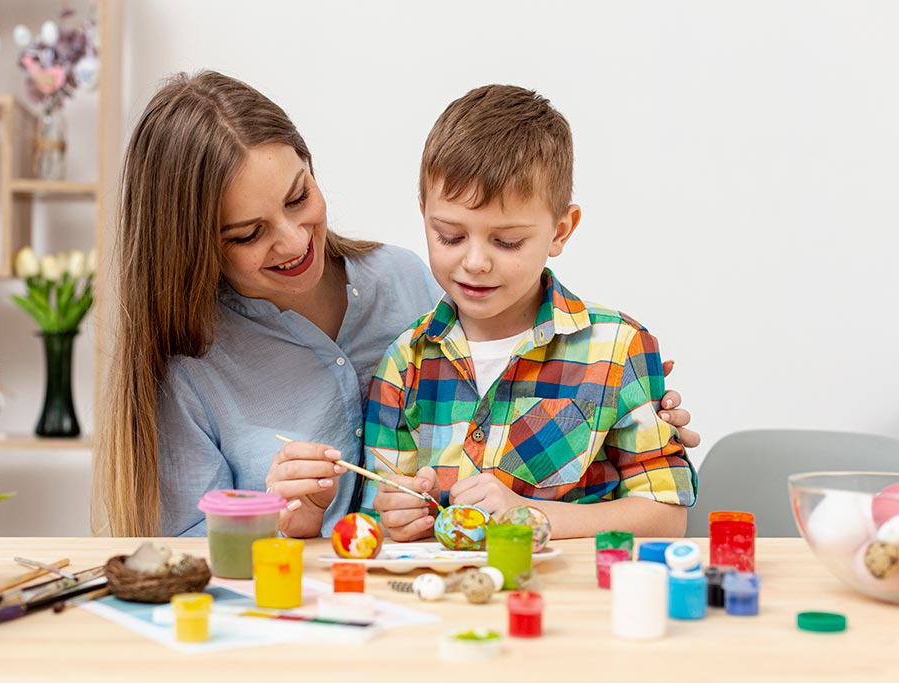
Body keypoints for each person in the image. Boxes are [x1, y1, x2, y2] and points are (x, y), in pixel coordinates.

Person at [95, 71, 699, 539]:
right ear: (195, 245)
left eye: (299, 196)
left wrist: (625, 393)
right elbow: (199, 560)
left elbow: (520, 355)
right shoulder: (196, 367)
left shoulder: (406, 280)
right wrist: (296, 524)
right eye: (247, 234)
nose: (293, 240)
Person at [364, 85, 697, 542]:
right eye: (449, 236)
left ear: (560, 231)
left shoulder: (617, 349)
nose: (476, 261)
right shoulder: (405, 362)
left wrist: (529, 514)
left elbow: (667, 516)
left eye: (507, 242)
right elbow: (378, 516)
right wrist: (396, 517)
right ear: (424, 214)